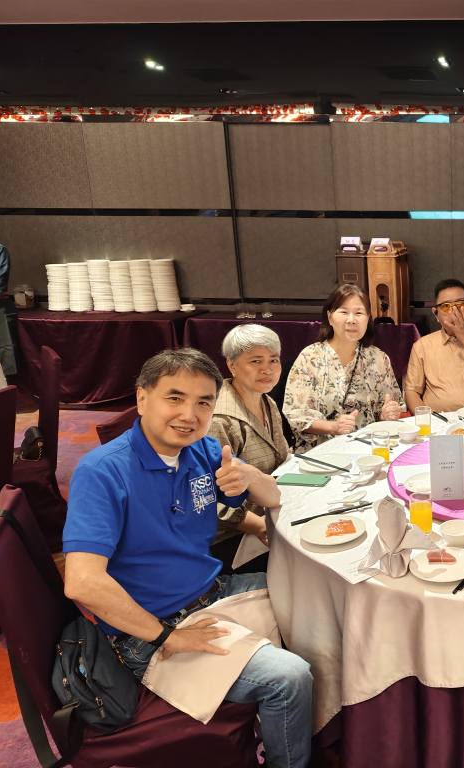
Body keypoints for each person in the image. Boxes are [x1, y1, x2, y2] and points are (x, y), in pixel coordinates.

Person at [62, 348, 313, 768]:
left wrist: (247, 476)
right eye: (174, 398)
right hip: (152, 629)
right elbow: (82, 582)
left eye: (203, 403)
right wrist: (166, 637)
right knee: (288, 679)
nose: (189, 415)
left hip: (213, 592)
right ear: (142, 398)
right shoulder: (102, 471)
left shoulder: (201, 450)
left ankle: (319, 730)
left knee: (320, 595)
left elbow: (272, 497)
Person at [207, 324, 290, 573]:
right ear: (232, 365)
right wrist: (261, 526)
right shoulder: (220, 419)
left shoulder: (266, 401)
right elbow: (208, 500)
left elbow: (282, 459)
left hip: (273, 510)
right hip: (236, 537)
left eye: (273, 360)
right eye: (256, 361)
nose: (267, 369)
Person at [283, 283, 404, 452]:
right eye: (344, 312)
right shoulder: (310, 357)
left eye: (359, 313)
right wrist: (333, 427)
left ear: (368, 318)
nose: (351, 320)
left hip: (368, 451)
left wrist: (386, 414)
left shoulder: (378, 358)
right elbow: (297, 415)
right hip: (321, 452)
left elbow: (390, 406)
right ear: (330, 317)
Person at [404, 278, 464, 412]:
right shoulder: (422, 345)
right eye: (446, 306)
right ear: (436, 314)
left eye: (461, 304)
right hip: (437, 420)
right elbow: (411, 391)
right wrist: (427, 419)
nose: (455, 311)